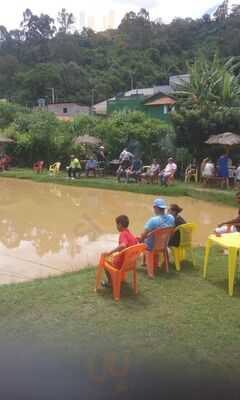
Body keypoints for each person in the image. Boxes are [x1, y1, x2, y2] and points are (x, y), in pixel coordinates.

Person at [100, 215, 138, 288]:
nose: (116, 226)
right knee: (113, 257)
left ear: (120, 224)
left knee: (105, 261)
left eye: (117, 224)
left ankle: (111, 283)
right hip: (130, 263)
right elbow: (136, 242)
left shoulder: (123, 234)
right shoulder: (130, 234)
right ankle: (121, 278)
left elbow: (123, 245)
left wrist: (110, 252)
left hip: (122, 263)